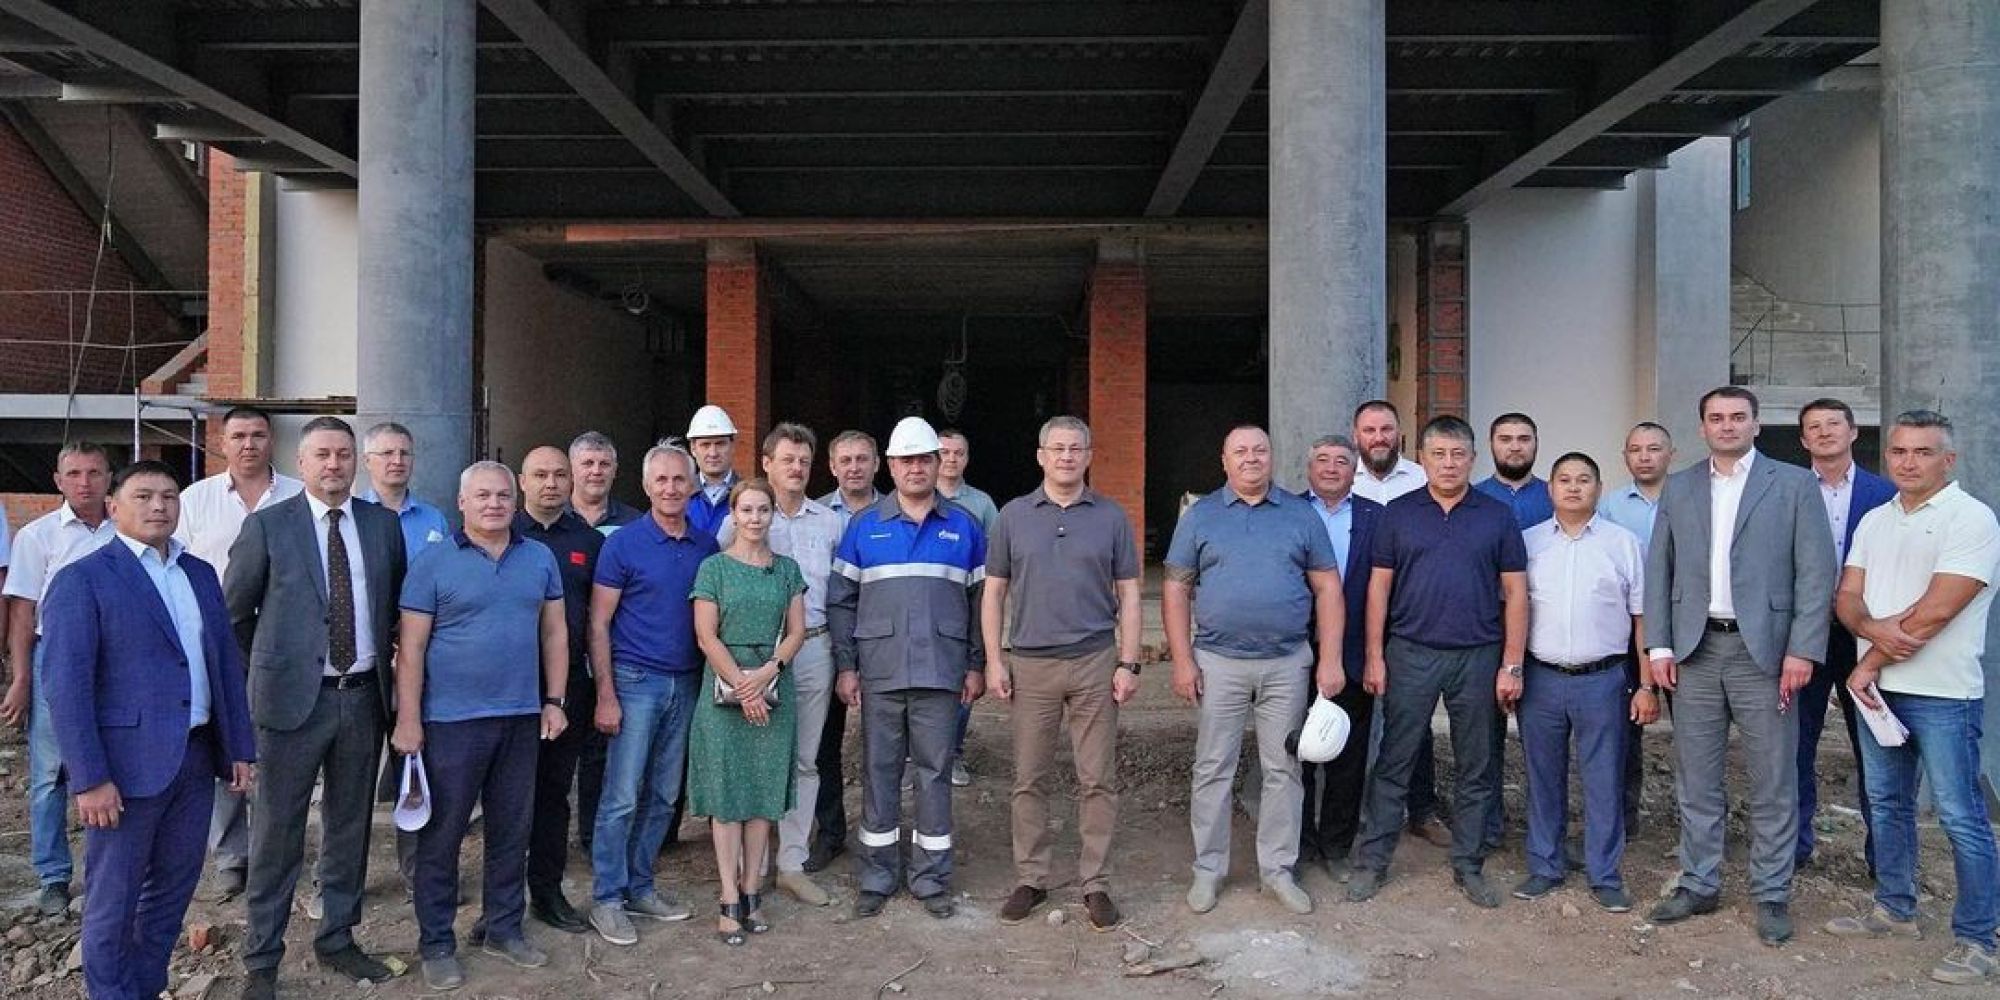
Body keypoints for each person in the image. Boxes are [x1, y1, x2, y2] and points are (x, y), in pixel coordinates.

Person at [41, 460, 256, 1000]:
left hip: (194, 756)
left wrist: (238, 746)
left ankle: (144, 986)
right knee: (113, 900)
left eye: (169, 496)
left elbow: (223, 664)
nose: (158, 505)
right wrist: (90, 778)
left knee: (172, 890)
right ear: (113, 506)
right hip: (123, 768)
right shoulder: (83, 579)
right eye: (143, 496)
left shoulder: (199, 573)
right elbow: (67, 688)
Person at [1644, 387, 1836, 947]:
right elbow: (1660, 568)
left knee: (1773, 778)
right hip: (1696, 651)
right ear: (1702, 427)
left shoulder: (1794, 484)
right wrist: (1659, 645)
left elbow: (1816, 573)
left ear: (1756, 425)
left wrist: (1802, 649)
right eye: (1716, 418)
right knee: (1696, 777)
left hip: (1767, 655)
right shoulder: (1680, 486)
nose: (1727, 426)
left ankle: (1771, 892)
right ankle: (1698, 882)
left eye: (1737, 417)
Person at [230, 416, 407, 999]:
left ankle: (337, 938)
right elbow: (235, 617)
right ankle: (262, 959)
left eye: (343, 454)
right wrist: (269, 675)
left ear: (356, 462)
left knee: (350, 827)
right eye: (322, 455)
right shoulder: (267, 525)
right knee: (276, 833)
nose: (333, 464)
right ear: (301, 463)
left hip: (362, 700)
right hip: (288, 707)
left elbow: (394, 612)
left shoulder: (382, 526)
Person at [1824, 409, 2000, 985]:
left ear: (1948, 460)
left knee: (1960, 816)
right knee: (1887, 804)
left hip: (1943, 694)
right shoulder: (1876, 519)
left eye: (1923, 452)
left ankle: (1980, 937)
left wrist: (1866, 661)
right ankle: (1894, 910)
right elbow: (1847, 596)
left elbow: (1938, 609)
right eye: (1899, 451)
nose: (1908, 461)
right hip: (1880, 694)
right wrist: (1869, 632)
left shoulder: (1971, 518)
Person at [391, 462, 569, 990]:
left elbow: (555, 634)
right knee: (442, 836)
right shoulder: (432, 562)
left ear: (515, 501)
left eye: (502, 495)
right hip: (450, 722)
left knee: (512, 830)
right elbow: (411, 648)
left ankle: (503, 927)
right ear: (462, 502)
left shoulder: (539, 558)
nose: (494, 504)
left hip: (520, 717)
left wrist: (554, 700)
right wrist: (408, 719)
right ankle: (437, 942)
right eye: (483, 495)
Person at [1348, 415, 1527, 910]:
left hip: (1478, 655)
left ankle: (1469, 864)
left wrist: (1511, 663)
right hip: (1411, 652)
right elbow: (1378, 588)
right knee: (1395, 760)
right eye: (1438, 454)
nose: (1448, 464)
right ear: (1421, 459)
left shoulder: (1496, 516)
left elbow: (1516, 593)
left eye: (1458, 454)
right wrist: (1375, 655)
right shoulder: (1399, 513)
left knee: (1477, 765)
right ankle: (1373, 861)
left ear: (1473, 459)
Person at [1166, 424, 1342, 916]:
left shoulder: (1301, 515)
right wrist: (1182, 660)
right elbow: (1176, 588)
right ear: (1224, 461)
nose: (1251, 458)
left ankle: (1278, 871)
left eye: (1259, 450)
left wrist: (1330, 658)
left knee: (1284, 768)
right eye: (1240, 451)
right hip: (1218, 662)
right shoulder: (1201, 516)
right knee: (1212, 767)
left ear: (1272, 457)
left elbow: (1328, 588)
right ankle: (1208, 870)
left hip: (1286, 663)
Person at [983, 416, 1142, 931]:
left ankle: (1096, 883)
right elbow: (994, 592)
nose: (1067, 457)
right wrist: (994, 658)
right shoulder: (1012, 516)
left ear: (1089, 456)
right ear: (1041, 456)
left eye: (1076, 449)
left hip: (1095, 660)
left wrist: (1129, 661)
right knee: (1029, 777)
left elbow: (1130, 594)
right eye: (1058, 448)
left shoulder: (1111, 517)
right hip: (1031, 663)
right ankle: (1031, 877)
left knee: (1097, 778)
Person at [827, 416, 987, 921]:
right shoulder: (864, 526)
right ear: (891, 467)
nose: (916, 468)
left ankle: (931, 878)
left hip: (942, 670)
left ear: (938, 465)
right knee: (879, 772)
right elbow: (841, 602)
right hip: (880, 672)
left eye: (924, 459)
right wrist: (846, 666)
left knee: (935, 773)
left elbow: (983, 604)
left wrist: (977, 664)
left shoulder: (964, 526)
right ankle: (877, 876)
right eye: (906, 460)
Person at [586, 444, 718, 945]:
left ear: (693, 486)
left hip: (687, 683)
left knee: (663, 796)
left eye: (679, 479)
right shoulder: (623, 544)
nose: (670, 488)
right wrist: (606, 693)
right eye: (660, 480)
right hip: (635, 680)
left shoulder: (706, 546)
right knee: (621, 796)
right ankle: (606, 897)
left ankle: (640, 886)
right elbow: (598, 623)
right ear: (645, 486)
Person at [1513, 453, 1654, 913]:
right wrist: (1511, 669)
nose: (1573, 487)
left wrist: (1646, 685)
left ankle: (1604, 874)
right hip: (1542, 678)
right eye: (1564, 480)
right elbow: (1512, 610)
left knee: (1605, 778)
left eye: (1583, 480)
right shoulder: (1528, 542)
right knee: (1542, 776)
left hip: (1604, 679)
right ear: (1550, 488)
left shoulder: (1624, 544)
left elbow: (1642, 619)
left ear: (1598, 487)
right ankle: (1545, 865)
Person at [177, 405, 302, 900]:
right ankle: (231, 855)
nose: (248, 444)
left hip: (286, 641)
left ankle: (276, 851)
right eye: (238, 436)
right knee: (226, 740)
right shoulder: (195, 500)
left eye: (257, 435)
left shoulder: (298, 495)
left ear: (272, 441)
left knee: (281, 745)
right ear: (223, 443)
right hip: (217, 638)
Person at [717, 425, 845, 907]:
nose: (797, 468)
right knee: (755, 755)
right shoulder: (741, 518)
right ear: (766, 463)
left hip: (812, 648)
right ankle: (754, 866)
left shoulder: (831, 522)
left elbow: (842, 593)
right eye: (788, 459)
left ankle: (793, 862)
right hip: (750, 655)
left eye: (804, 460)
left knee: (805, 759)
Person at [689, 479, 808, 945]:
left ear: (773, 515)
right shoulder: (714, 568)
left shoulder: (787, 570)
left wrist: (767, 674)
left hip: (773, 681)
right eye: (747, 510)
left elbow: (797, 631)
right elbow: (706, 636)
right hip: (724, 686)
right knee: (727, 796)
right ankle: (727, 896)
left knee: (761, 793)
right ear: (733, 516)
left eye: (763, 510)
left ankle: (752, 889)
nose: (755, 518)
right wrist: (743, 685)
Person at [2, 442, 117, 915]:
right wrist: (21, 677)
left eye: (94, 472)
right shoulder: (38, 536)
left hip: (118, 658)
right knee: (50, 773)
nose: (84, 483)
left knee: (112, 764)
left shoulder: (126, 530)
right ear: (58, 480)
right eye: (74, 474)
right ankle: (53, 875)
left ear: (109, 478)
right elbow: (23, 611)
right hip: (56, 657)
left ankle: (105, 872)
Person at [1793, 397, 1894, 872]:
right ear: (1803, 439)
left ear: (1853, 432)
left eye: (1834, 423)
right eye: (1814, 426)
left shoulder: (1886, 494)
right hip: (1803, 636)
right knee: (1796, 746)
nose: (1824, 432)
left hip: (1866, 636)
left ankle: (1884, 858)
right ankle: (1795, 847)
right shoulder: (1787, 490)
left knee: (1874, 745)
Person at [515, 446, 606, 934]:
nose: (550, 483)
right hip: (508, 684)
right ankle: (502, 902)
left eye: (558, 475)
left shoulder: (588, 541)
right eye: (540, 475)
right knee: (508, 797)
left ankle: (547, 893)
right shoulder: (502, 531)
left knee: (553, 793)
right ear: (522, 481)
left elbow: (599, 619)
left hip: (567, 687)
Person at [1348, 400, 1446, 848]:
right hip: (1354, 616)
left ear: (1400, 434)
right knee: (1356, 714)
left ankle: (1421, 809)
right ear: (1356, 435)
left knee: (1414, 718)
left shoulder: (1425, 479)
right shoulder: (1342, 480)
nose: (1378, 438)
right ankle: (1353, 809)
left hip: (1412, 617)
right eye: (1369, 430)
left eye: (1386, 429)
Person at [1293, 435, 1384, 881]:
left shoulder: (1377, 517)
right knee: (1296, 754)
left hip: (1353, 652)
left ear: (1355, 470)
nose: (1331, 468)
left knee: (1348, 755)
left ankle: (1336, 846)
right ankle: (1297, 845)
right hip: (1293, 651)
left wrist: (1374, 654)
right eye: (1323, 460)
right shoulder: (1287, 511)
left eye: (1342, 461)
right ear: (1309, 467)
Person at [806, 429, 882, 874]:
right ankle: (830, 832)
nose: (854, 467)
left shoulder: (895, 512)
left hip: (885, 645)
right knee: (823, 745)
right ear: (832, 467)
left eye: (862, 459)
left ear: (877, 464)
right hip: (829, 643)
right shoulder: (816, 515)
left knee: (885, 748)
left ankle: (882, 831)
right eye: (845, 460)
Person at [1598, 421, 1676, 829]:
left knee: (1696, 731)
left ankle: (1697, 824)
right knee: (1625, 730)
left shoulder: (1691, 499)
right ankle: (1623, 818)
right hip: (1631, 632)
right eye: (1636, 449)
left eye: (1654, 448)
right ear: (1625, 456)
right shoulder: (1609, 507)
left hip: (1683, 628)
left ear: (1671, 454)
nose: (1645, 457)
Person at [936, 428, 999, 788]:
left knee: (965, 681)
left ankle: (953, 753)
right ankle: (914, 757)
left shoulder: (982, 504)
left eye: (958, 453)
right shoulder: (912, 496)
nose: (951, 459)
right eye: (944, 452)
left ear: (967, 458)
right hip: (927, 605)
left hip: (967, 606)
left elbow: (996, 556)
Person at [357, 422, 451, 553]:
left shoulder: (434, 518)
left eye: (405, 453)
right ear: (367, 461)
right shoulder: (352, 515)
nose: (398, 461)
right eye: (388, 453)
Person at [1474, 412, 1554, 529]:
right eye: (1505, 440)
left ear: (1536, 443)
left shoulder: (1556, 496)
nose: (1515, 447)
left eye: (1524, 439)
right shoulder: (1471, 498)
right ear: (1491, 444)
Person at [568, 431, 644, 536]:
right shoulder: (553, 517)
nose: (596, 471)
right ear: (570, 469)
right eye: (588, 463)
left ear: (615, 470)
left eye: (604, 464)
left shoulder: (635, 522)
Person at [685, 404, 741, 539]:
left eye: (720, 444)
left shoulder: (748, 495)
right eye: (705, 445)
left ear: (732, 446)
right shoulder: (680, 495)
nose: (713, 453)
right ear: (693, 448)